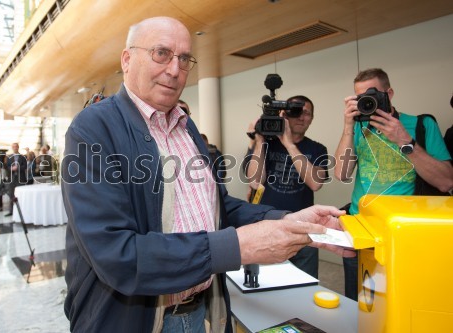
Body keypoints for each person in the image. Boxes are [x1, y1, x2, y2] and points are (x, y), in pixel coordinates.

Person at [61, 16, 352, 333]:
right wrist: (238, 247)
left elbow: (220, 207)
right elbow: (116, 255)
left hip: (202, 313)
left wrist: (287, 219)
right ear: (127, 59)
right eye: (161, 53)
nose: (175, 70)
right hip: (133, 321)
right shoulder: (92, 128)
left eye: (184, 59)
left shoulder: (187, 129)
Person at [334, 68, 453, 300]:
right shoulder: (358, 128)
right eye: (361, 97)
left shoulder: (421, 124)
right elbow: (341, 173)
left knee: (401, 301)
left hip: (404, 233)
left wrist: (404, 140)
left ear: (389, 93)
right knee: (358, 302)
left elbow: (446, 181)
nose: (367, 101)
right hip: (362, 230)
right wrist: (348, 127)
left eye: (373, 94)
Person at [244, 95, 328, 278]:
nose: (301, 117)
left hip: (303, 228)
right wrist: (259, 141)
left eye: (307, 113)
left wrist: (288, 143)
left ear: (312, 119)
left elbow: (315, 183)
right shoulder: (266, 144)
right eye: (296, 112)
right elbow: (254, 181)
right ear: (284, 115)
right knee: (266, 283)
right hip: (267, 226)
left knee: (305, 283)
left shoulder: (318, 149)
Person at [5, 143, 27, 216]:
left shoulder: (23, 157)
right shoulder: (9, 157)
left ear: (18, 147)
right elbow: (7, 167)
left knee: (21, 195)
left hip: (21, 178)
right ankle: (11, 211)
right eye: (13, 147)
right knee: (11, 194)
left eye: (16, 146)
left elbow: (25, 166)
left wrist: (18, 168)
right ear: (12, 148)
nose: (15, 148)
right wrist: (11, 168)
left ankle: (21, 211)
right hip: (12, 178)